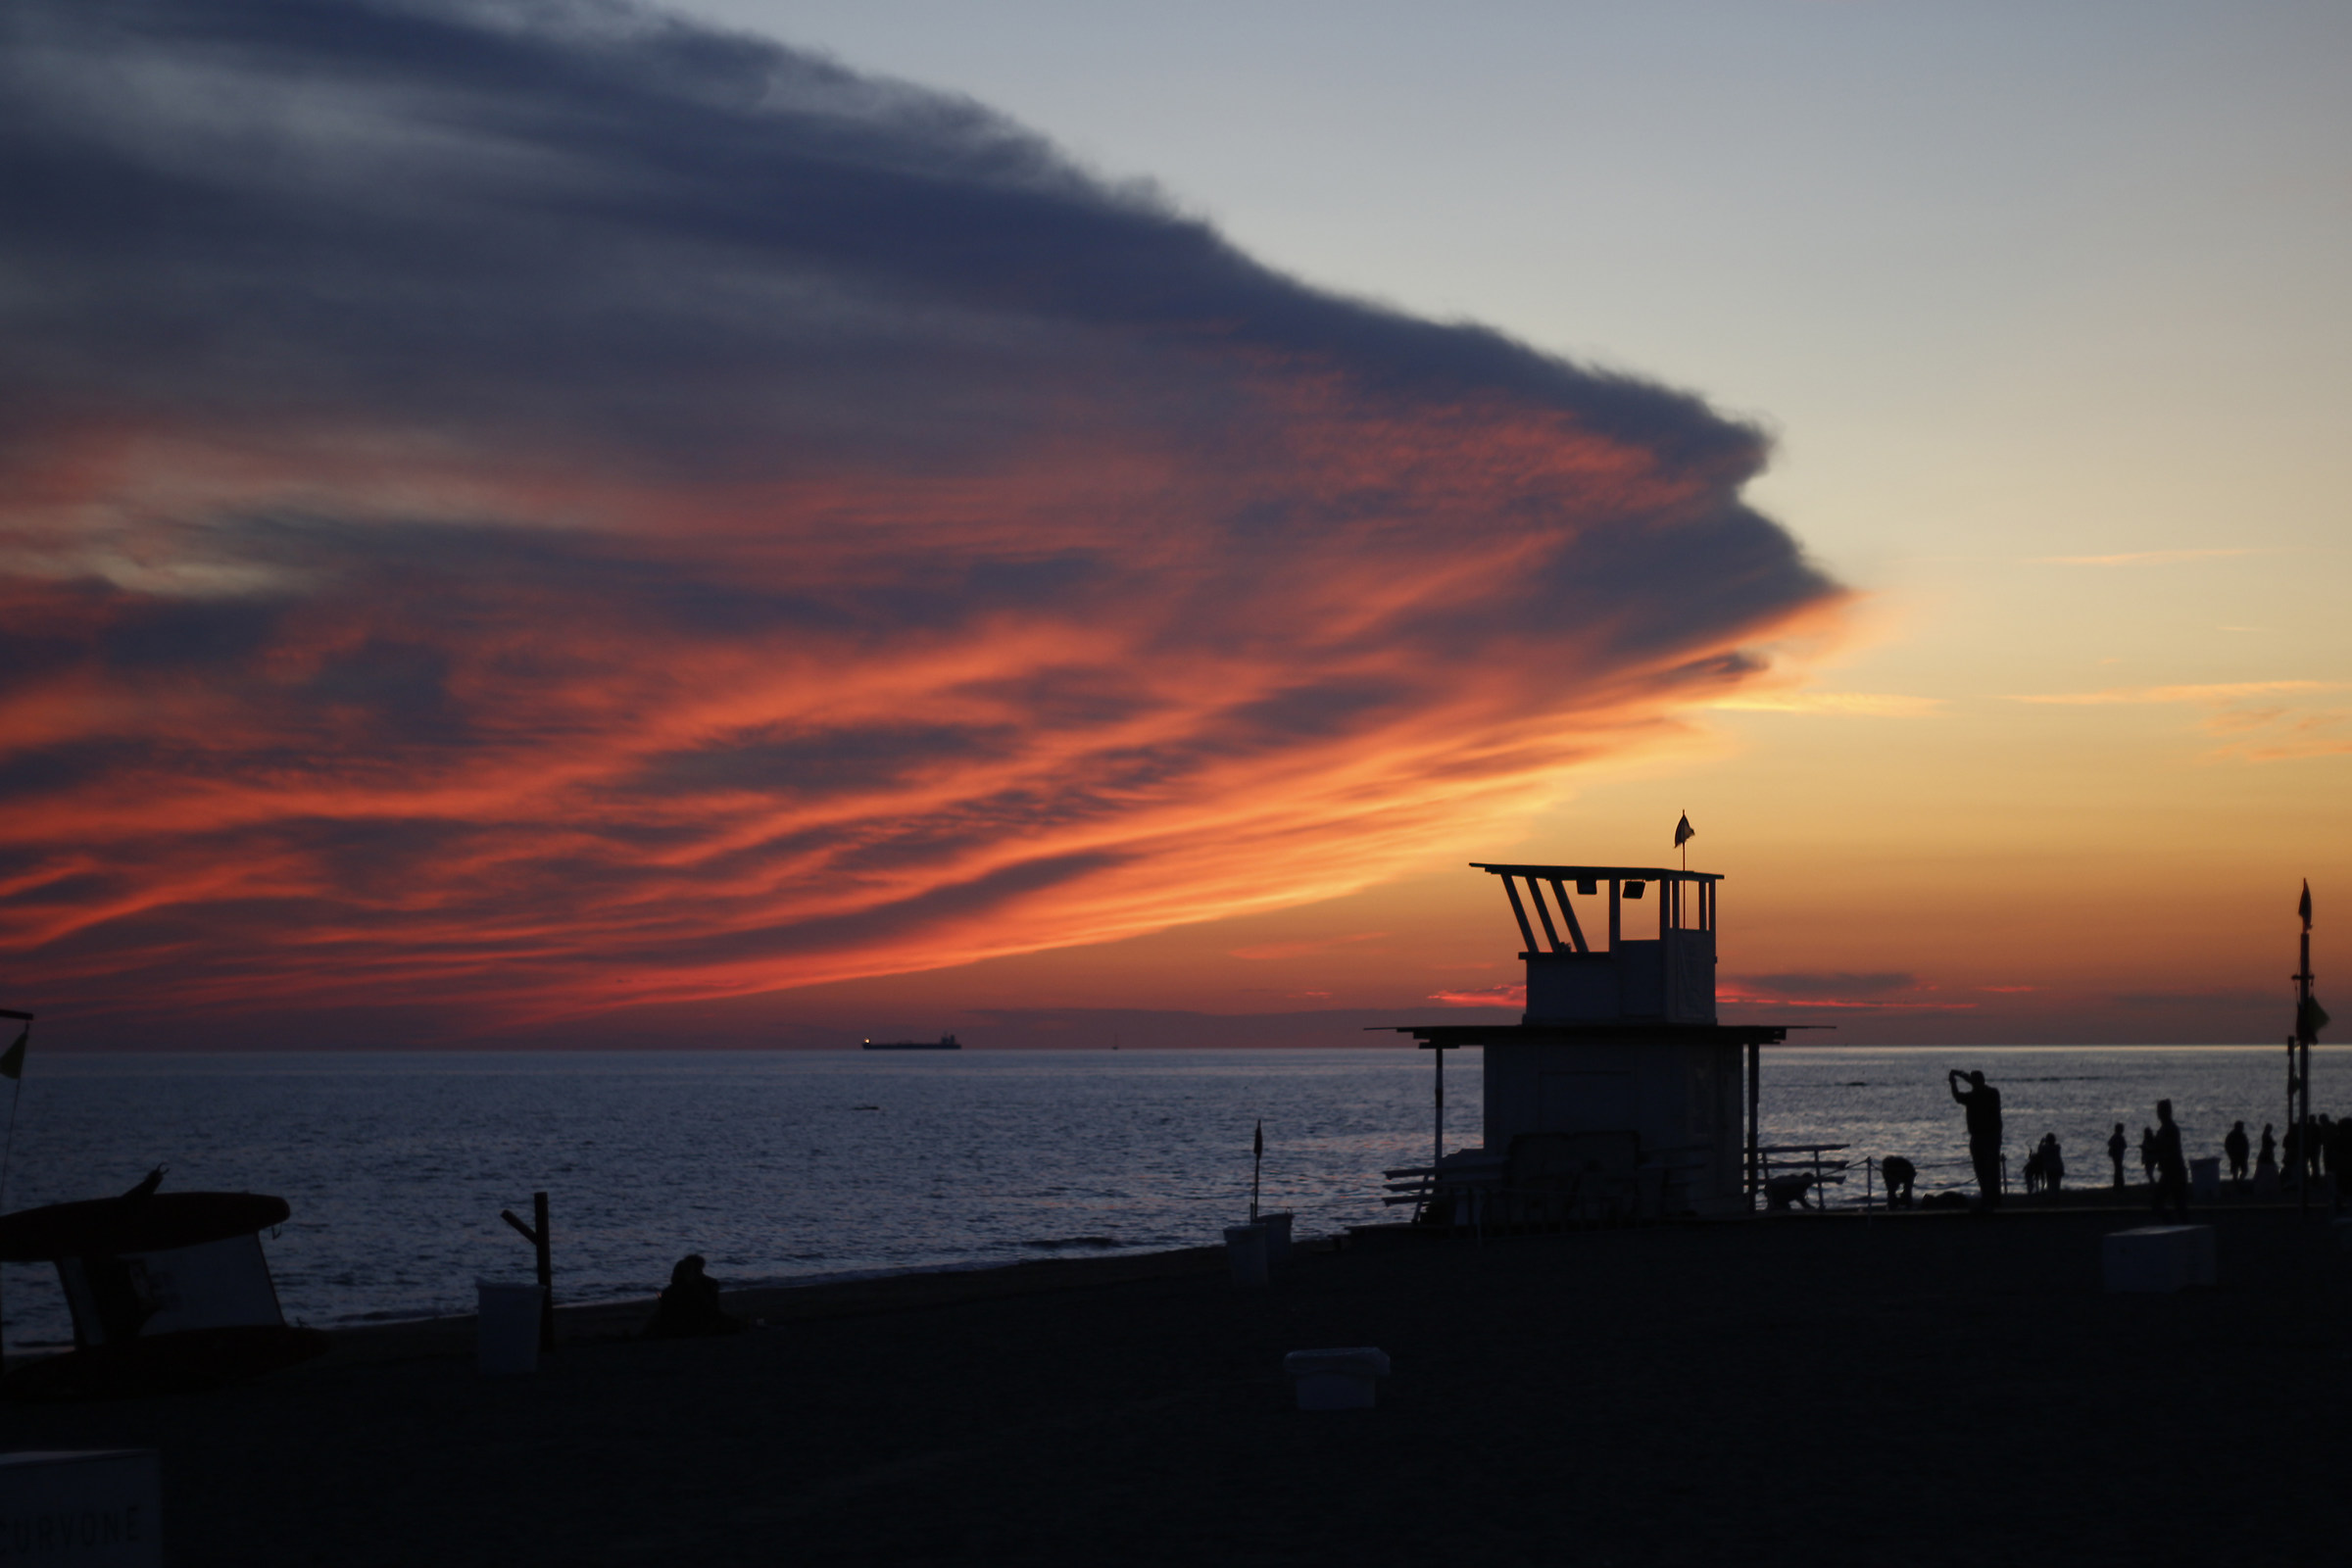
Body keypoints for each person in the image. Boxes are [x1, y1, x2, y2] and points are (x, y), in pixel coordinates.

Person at [642, 1253, 746, 1340]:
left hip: (677, 1326)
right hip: (694, 1326)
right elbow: (712, 1310)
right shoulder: (706, 1285)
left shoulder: (670, 1291)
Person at [1948, 1068, 2003, 1210]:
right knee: (1991, 1169)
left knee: (1983, 1170)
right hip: (1992, 1137)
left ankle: (1988, 1198)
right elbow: (1972, 1086)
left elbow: (1957, 1096)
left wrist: (1954, 1081)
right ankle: (1993, 1199)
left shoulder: (1974, 1097)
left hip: (1982, 1137)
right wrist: (1961, 1075)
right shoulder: (1993, 1093)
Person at [2151, 1100, 2188, 1221]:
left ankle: (2173, 1225)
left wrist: (2158, 1154)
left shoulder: (2170, 1129)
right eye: (2158, 1110)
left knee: (2175, 1204)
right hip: (2170, 1171)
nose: (2158, 1113)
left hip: (2173, 1171)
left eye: (2160, 1111)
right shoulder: (2165, 1129)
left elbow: (2170, 1150)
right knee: (2176, 1204)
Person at [2224, 1120, 2250, 1186]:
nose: (2242, 1128)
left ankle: (2239, 1181)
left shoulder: (2241, 1135)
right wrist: (2230, 1154)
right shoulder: (2233, 1135)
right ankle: (2237, 1183)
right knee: (2235, 1172)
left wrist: (2246, 1156)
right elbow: (2227, 1145)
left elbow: (2246, 1147)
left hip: (2241, 1157)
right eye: (2241, 1127)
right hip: (2235, 1157)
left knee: (2244, 1171)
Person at [2107, 1123, 2129, 1189]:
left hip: (2115, 1155)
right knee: (2119, 1170)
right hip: (2118, 1155)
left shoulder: (2114, 1136)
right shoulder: (2119, 1137)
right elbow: (2125, 1145)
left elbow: (2109, 1143)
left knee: (2118, 1169)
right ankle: (2119, 1184)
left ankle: (2117, 1184)